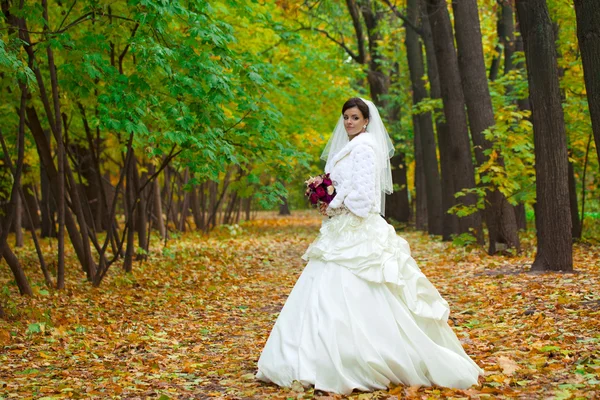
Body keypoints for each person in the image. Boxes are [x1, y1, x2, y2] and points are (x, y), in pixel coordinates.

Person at [255, 98, 483, 395]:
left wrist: (332, 203)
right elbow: (344, 188)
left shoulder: (365, 149)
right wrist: (324, 194)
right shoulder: (350, 148)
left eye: (354, 117)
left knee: (360, 291)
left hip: (357, 233)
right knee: (323, 293)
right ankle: (313, 357)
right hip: (339, 233)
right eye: (346, 117)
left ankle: (360, 358)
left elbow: (363, 200)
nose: (348, 122)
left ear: (366, 121)